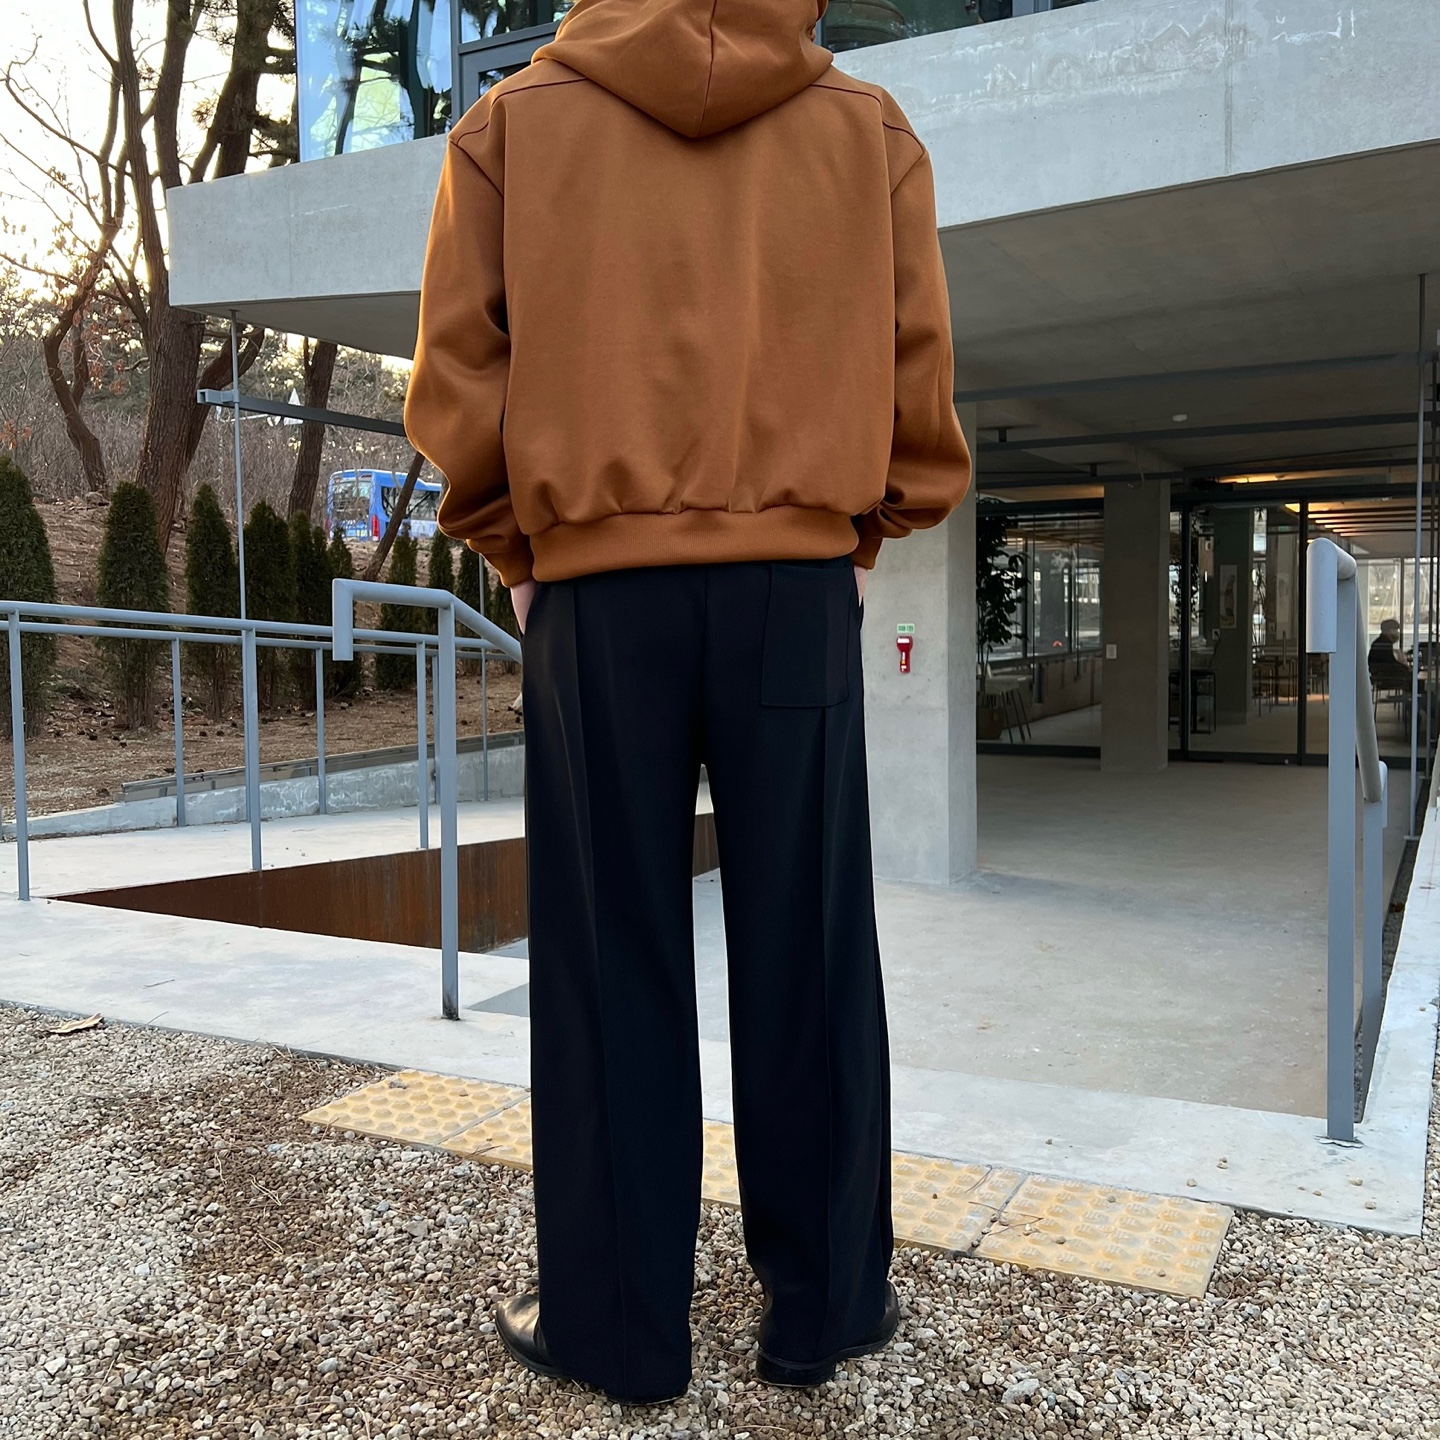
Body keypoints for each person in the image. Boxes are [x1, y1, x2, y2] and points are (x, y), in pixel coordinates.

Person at [405, 0, 971, 1405]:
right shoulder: (866, 130)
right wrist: (855, 534)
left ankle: (618, 1326)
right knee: (810, 946)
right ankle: (825, 1306)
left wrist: (517, 547)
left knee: (612, 955)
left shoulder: (511, 129)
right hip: (792, 591)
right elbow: (918, 365)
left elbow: (458, 369)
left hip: (599, 601)